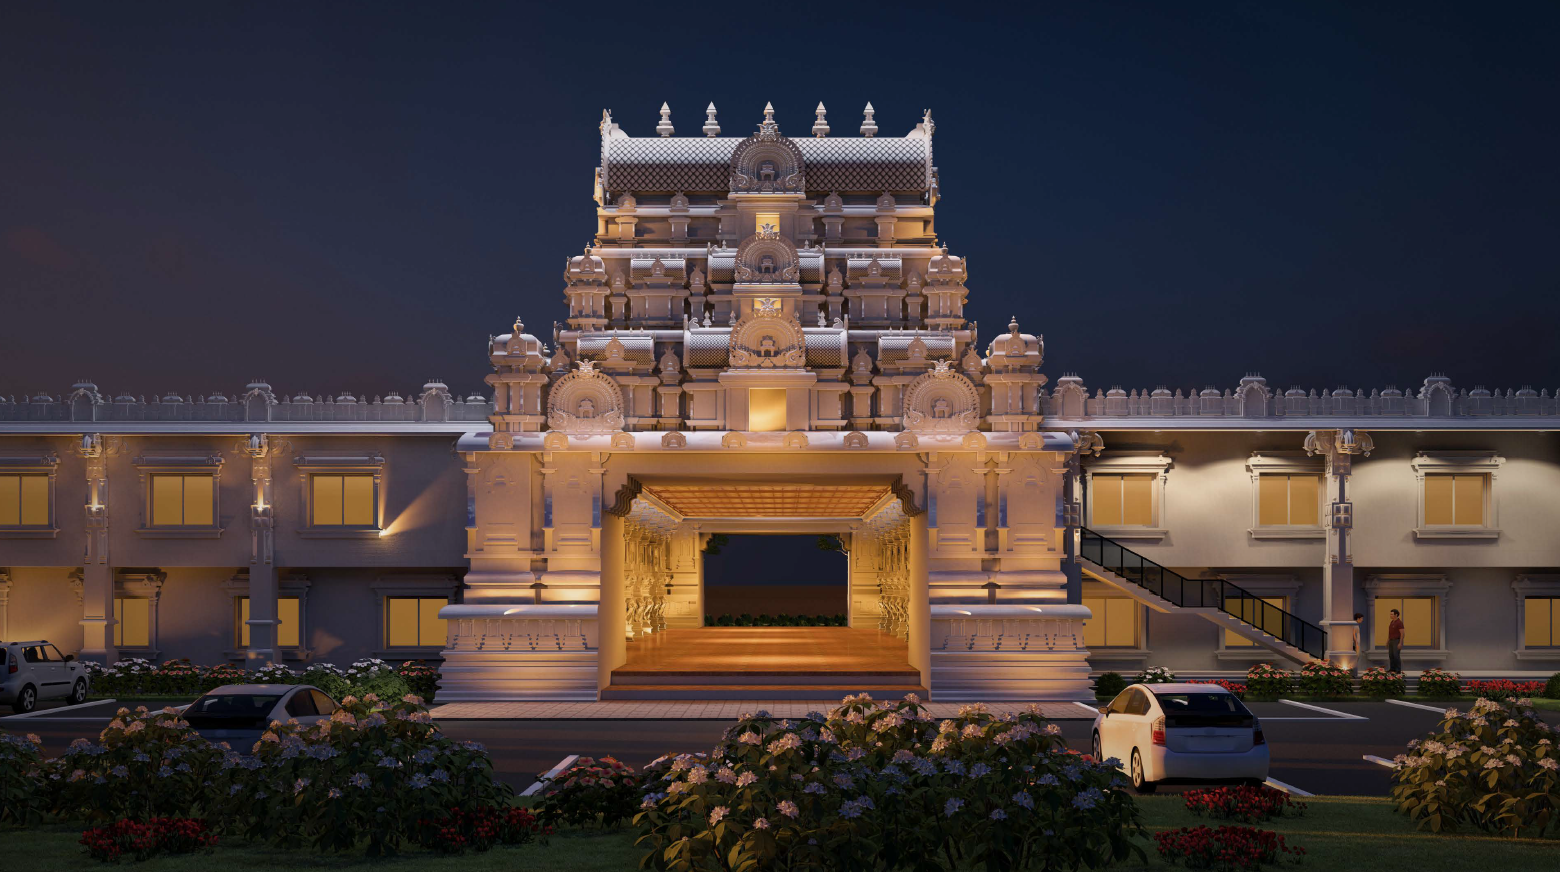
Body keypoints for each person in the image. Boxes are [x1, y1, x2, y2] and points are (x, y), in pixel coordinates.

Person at [1387, 608, 1405, 674]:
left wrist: (1400, 643)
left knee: (1396, 655)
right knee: (1391, 655)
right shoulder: (1392, 622)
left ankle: (1398, 669)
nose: (1390, 615)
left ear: (1396, 615)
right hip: (1391, 641)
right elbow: (1390, 633)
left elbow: (1402, 633)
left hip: (1396, 641)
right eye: (1390, 614)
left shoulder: (1399, 623)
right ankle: (1392, 669)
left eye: (1392, 614)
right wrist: (1387, 641)